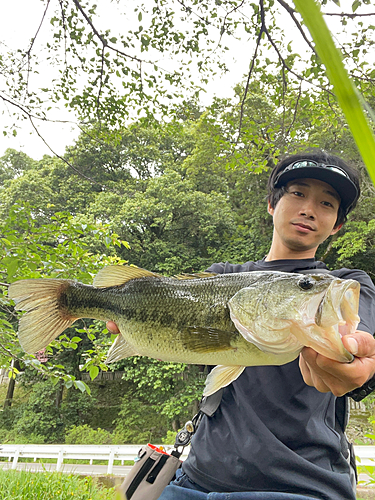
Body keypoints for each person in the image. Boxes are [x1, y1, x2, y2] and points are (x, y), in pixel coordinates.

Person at [107, 151, 375, 500]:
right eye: (297, 193)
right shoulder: (222, 277)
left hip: (304, 487)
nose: (309, 209)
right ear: (271, 204)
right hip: (195, 480)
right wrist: (134, 322)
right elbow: (188, 344)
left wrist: (357, 366)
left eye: (327, 203)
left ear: (337, 224)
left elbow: (360, 344)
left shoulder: (345, 285)